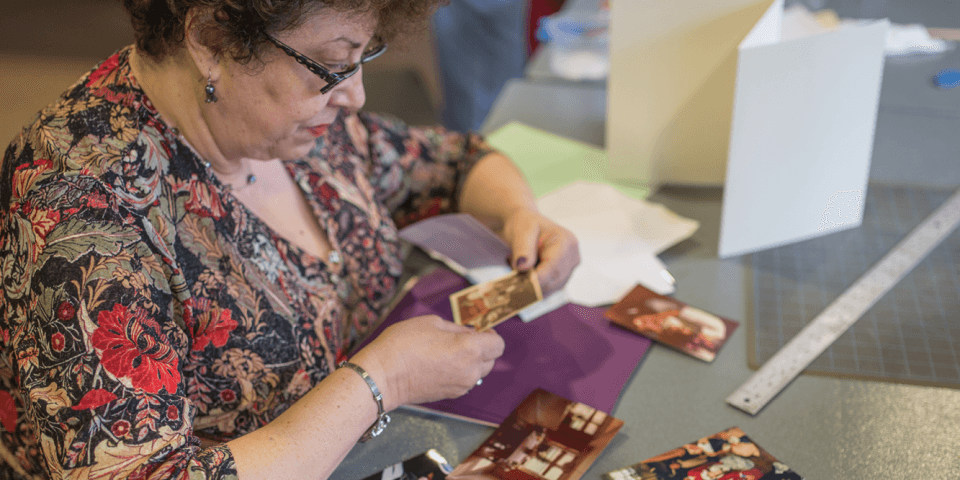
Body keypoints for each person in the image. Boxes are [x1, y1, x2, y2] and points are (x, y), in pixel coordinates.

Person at [0, 0, 580, 478]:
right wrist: (382, 382)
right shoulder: (82, 211)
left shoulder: (296, 125)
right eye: (332, 66)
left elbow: (453, 163)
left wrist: (519, 214)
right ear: (209, 38)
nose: (355, 96)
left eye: (362, 58)